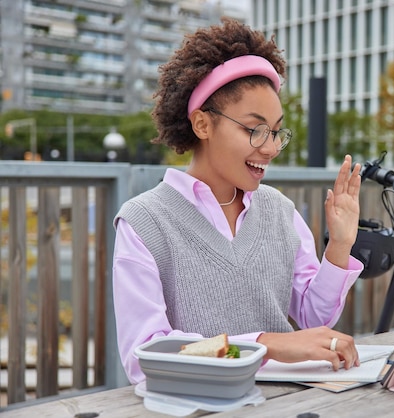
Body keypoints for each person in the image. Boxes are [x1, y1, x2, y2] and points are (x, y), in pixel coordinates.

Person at [112, 18, 364, 384]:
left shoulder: (280, 210)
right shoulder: (143, 222)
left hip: (284, 404)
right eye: (255, 129)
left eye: (277, 131)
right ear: (202, 125)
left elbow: (313, 320)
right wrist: (267, 345)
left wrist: (340, 246)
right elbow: (146, 356)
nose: (272, 147)